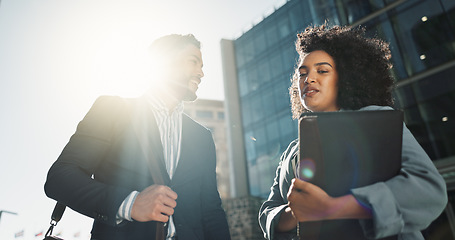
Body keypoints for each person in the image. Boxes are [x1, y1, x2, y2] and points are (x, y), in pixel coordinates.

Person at [258, 25, 448, 239]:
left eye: (322, 70)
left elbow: (428, 188)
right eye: (303, 73)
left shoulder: (377, 120)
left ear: (344, 78)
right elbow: (268, 212)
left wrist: (333, 207)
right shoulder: (290, 154)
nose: (308, 79)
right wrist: (295, 211)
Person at [45, 34, 231, 240]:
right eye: (193, 62)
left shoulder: (202, 137)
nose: (201, 73)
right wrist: (130, 204)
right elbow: (59, 178)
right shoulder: (112, 110)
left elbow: (211, 212)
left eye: (202, 65)